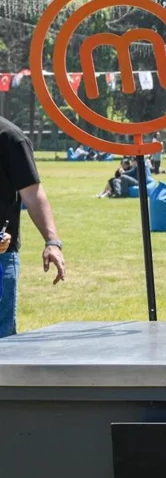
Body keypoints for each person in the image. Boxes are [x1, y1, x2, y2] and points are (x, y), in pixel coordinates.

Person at [0, 115, 67, 336]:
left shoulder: (10, 138)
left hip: (1, 257)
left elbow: (32, 194)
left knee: (3, 346)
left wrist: (52, 242)